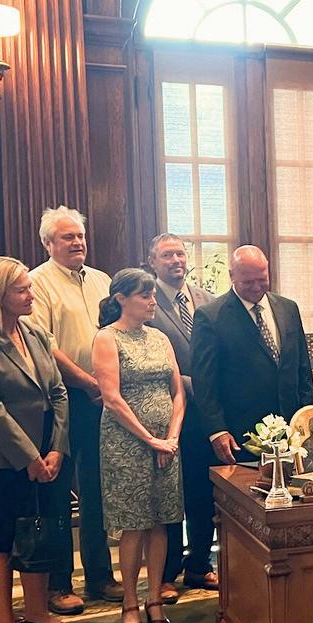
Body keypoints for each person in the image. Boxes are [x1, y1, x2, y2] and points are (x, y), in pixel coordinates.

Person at [0, 257, 84, 623]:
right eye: (22, 290)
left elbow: (58, 392)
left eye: (29, 287)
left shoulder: (34, 331)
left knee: (38, 534)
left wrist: (56, 448)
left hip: (46, 454)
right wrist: (30, 458)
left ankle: (37, 614)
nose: (31, 295)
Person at [29, 206, 122, 614]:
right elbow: (44, 345)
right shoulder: (37, 282)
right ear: (48, 243)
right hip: (61, 400)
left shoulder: (102, 280)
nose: (77, 242)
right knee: (56, 493)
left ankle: (100, 576)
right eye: (67, 237)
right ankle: (58, 583)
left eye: (80, 236)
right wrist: (86, 381)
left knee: (97, 489)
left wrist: (108, 385)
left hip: (103, 400)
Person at [92, 268, 185, 623]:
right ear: (121, 299)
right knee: (134, 525)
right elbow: (112, 398)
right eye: (145, 296)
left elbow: (177, 392)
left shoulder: (160, 337)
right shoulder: (107, 338)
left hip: (166, 444)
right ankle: (129, 603)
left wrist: (171, 437)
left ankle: (154, 599)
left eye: (152, 295)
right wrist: (150, 440)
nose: (152, 302)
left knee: (161, 521)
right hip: (126, 443)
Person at [191, 245, 313, 465]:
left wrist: (307, 417)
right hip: (241, 434)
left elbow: (302, 369)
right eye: (248, 282)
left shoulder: (288, 308)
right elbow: (204, 381)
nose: (257, 287)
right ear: (232, 276)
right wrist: (217, 430)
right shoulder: (210, 316)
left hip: (291, 430)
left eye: (262, 279)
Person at [144, 234, 218, 599]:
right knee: (170, 494)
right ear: (152, 262)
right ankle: (167, 573)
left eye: (180, 254)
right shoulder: (147, 303)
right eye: (167, 255)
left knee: (203, 491)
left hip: (206, 415)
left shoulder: (207, 299)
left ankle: (200, 565)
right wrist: (192, 384)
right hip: (166, 415)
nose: (176, 260)